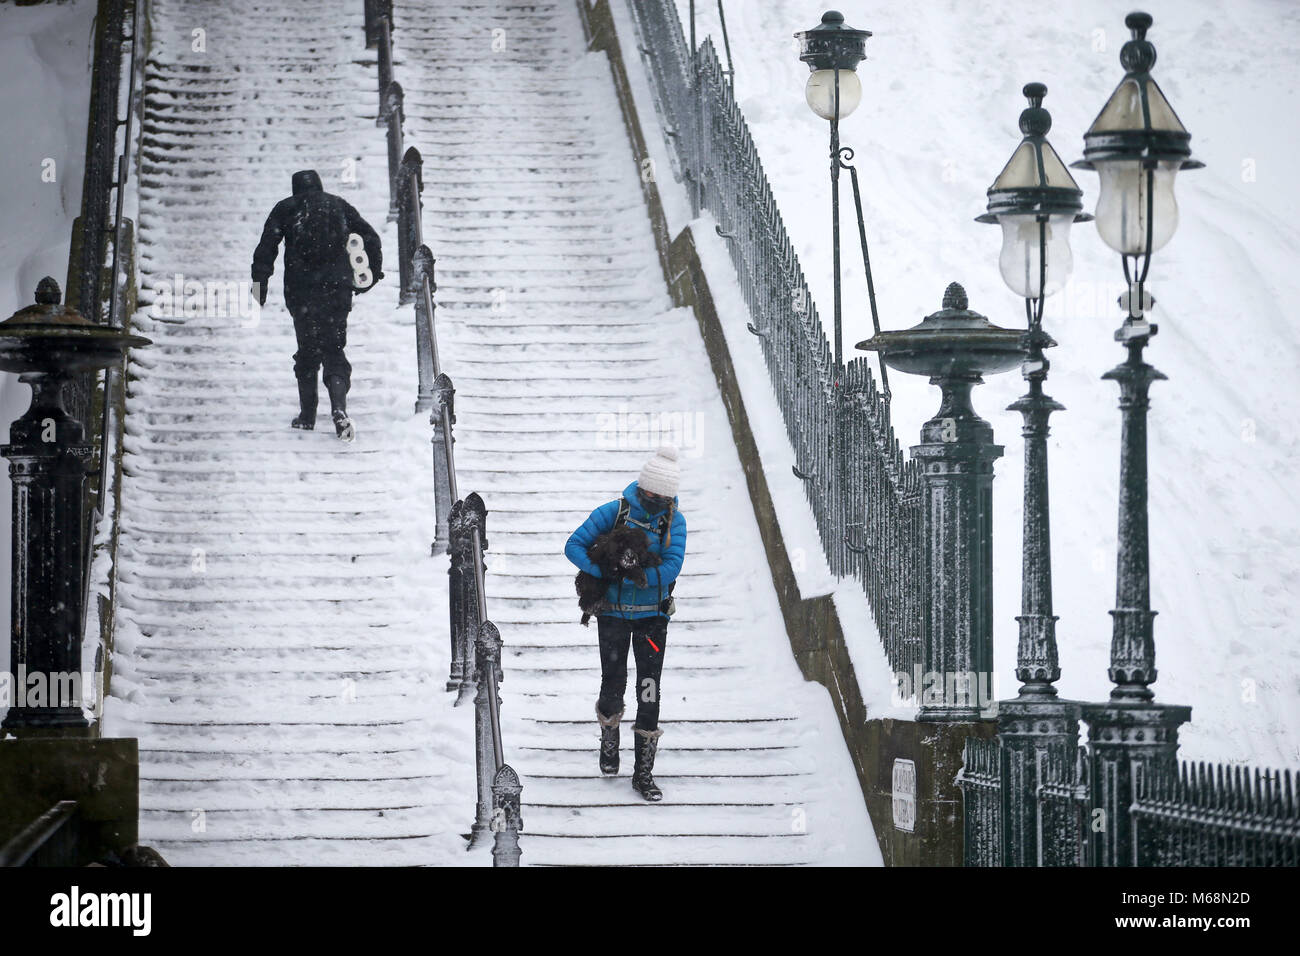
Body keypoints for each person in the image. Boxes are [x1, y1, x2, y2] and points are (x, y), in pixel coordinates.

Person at [564, 445, 687, 801]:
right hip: (614, 616)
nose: (654, 498)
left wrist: (638, 575)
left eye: (661, 495)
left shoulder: (673, 522)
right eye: (650, 492)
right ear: (641, 485)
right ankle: (609, 742)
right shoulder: (613, 511)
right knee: (612, 683)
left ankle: (643, 773)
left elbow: (673, 566)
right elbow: (573, 545)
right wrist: (606, 570)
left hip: (653, 619)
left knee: (649, 689)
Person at [250, 169, 382, 441]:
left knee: (308, 350)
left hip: (302, 293)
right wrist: (371, 276)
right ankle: (338, 409)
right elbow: (370, 237)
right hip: (337, 290)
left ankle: (307, 416)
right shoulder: (338, 204)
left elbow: (265, 250)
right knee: (334, 350)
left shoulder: (286, 209)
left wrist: (257, 290)